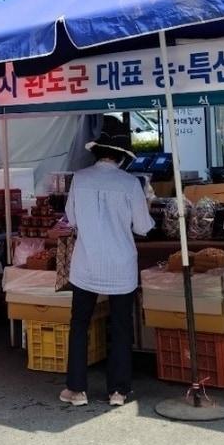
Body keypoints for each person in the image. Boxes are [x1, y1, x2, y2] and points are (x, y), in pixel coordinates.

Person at [58, 120, 153, 407]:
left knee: (79, 324)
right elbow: (143, 227)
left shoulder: (80, 178)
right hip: (120, 265)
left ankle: (76, 389)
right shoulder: (131, 183)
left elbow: (71, 220)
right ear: (123, 155)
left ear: (97, 151)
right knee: (122, 326)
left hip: (86, 264)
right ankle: (118, 391)